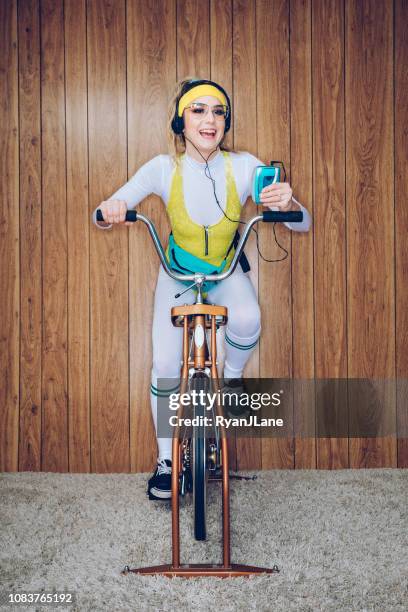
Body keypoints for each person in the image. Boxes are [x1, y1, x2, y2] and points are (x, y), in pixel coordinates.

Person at [92, 77, 312, 500]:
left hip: (226, 270)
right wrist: (111, 211)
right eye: (199, 110)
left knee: (249, 318)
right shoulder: (162, 168)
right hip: (176, 273)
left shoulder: (244, 166)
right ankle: (166, 462)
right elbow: (100, 214)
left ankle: (229, 382)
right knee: (165, 362)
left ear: (225, 122)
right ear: (181, 121)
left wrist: (289, 205)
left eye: (218, 112)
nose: (210, 120)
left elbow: (304, 224)